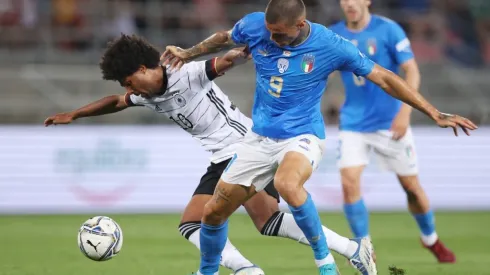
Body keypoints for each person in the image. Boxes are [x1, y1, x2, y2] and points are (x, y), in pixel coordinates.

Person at [162, 0, 477, 274]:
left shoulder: (330, 45)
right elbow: (224, 38)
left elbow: (385, 77)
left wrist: (434, 112)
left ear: (300, 24)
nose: (272, 38)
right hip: (258, 139)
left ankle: (325, 262)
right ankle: (208, 272)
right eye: (269, 31)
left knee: (287, 183)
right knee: (212, 213)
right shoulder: (257, 26)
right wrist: (189, 53)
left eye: (280, 33)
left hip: (303, 136)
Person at [44, 34, 374, 275]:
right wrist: (74, 115)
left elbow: (221, 63)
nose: (128, 90)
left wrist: (246, 50)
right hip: (231, 153)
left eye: (129, 81)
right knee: (267, 220)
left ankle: (243, 270)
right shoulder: (146, 94)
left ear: (145, 68)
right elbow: (115, 102)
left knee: (194, 222)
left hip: (242, 148)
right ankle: (352, 249)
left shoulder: (184, 72)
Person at [327, 0, 456, 263]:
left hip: (390, 122)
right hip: (353, 123)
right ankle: (364, 250)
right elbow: (322, 71)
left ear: (367, 1)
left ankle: (430, 238)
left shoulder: (389, 30)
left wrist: (405, 113)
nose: (350, 4)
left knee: (411, 188)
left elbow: (411, 70)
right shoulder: (334, 34)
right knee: (349, 184)